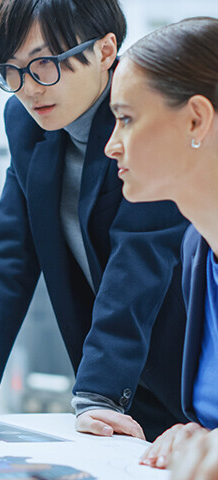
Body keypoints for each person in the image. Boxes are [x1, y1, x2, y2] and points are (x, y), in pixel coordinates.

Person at [0, 0, 189, 442]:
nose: (29, 89)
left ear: (106, 52)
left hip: (187, 364)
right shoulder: (27, 124)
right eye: (12, 71)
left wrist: (96, 394)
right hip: (124, 383)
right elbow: (9, 253)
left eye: (45, 64)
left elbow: (139, 261)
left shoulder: (147, 116)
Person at [102, 16, 218, 473]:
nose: (112, 145)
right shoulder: (196, 252)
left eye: (126, 119)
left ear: (196, 118)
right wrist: (198, 431)